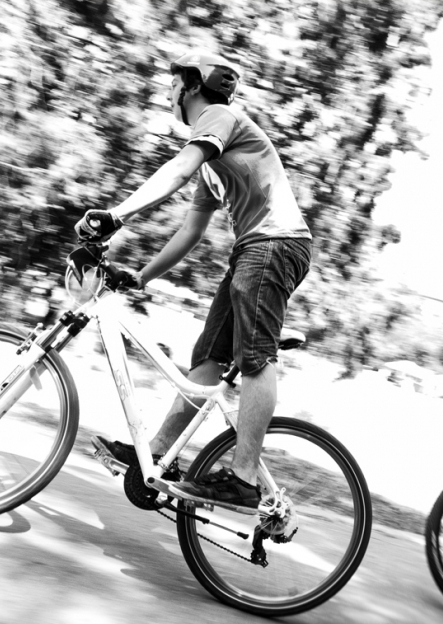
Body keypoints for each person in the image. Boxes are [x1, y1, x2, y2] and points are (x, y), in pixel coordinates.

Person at [73, 51, 313, 510]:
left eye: (172, 85)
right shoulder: (211, 161)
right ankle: (157, 454)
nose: (167, 94)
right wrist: (141, 276)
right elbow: (191, 231)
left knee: (254, 356)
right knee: (208, 358)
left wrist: (117, 215)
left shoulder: (220, 117)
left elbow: (177, 169)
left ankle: (244, 478)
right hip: (254, 249)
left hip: (274, 245)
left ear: (193, 85)